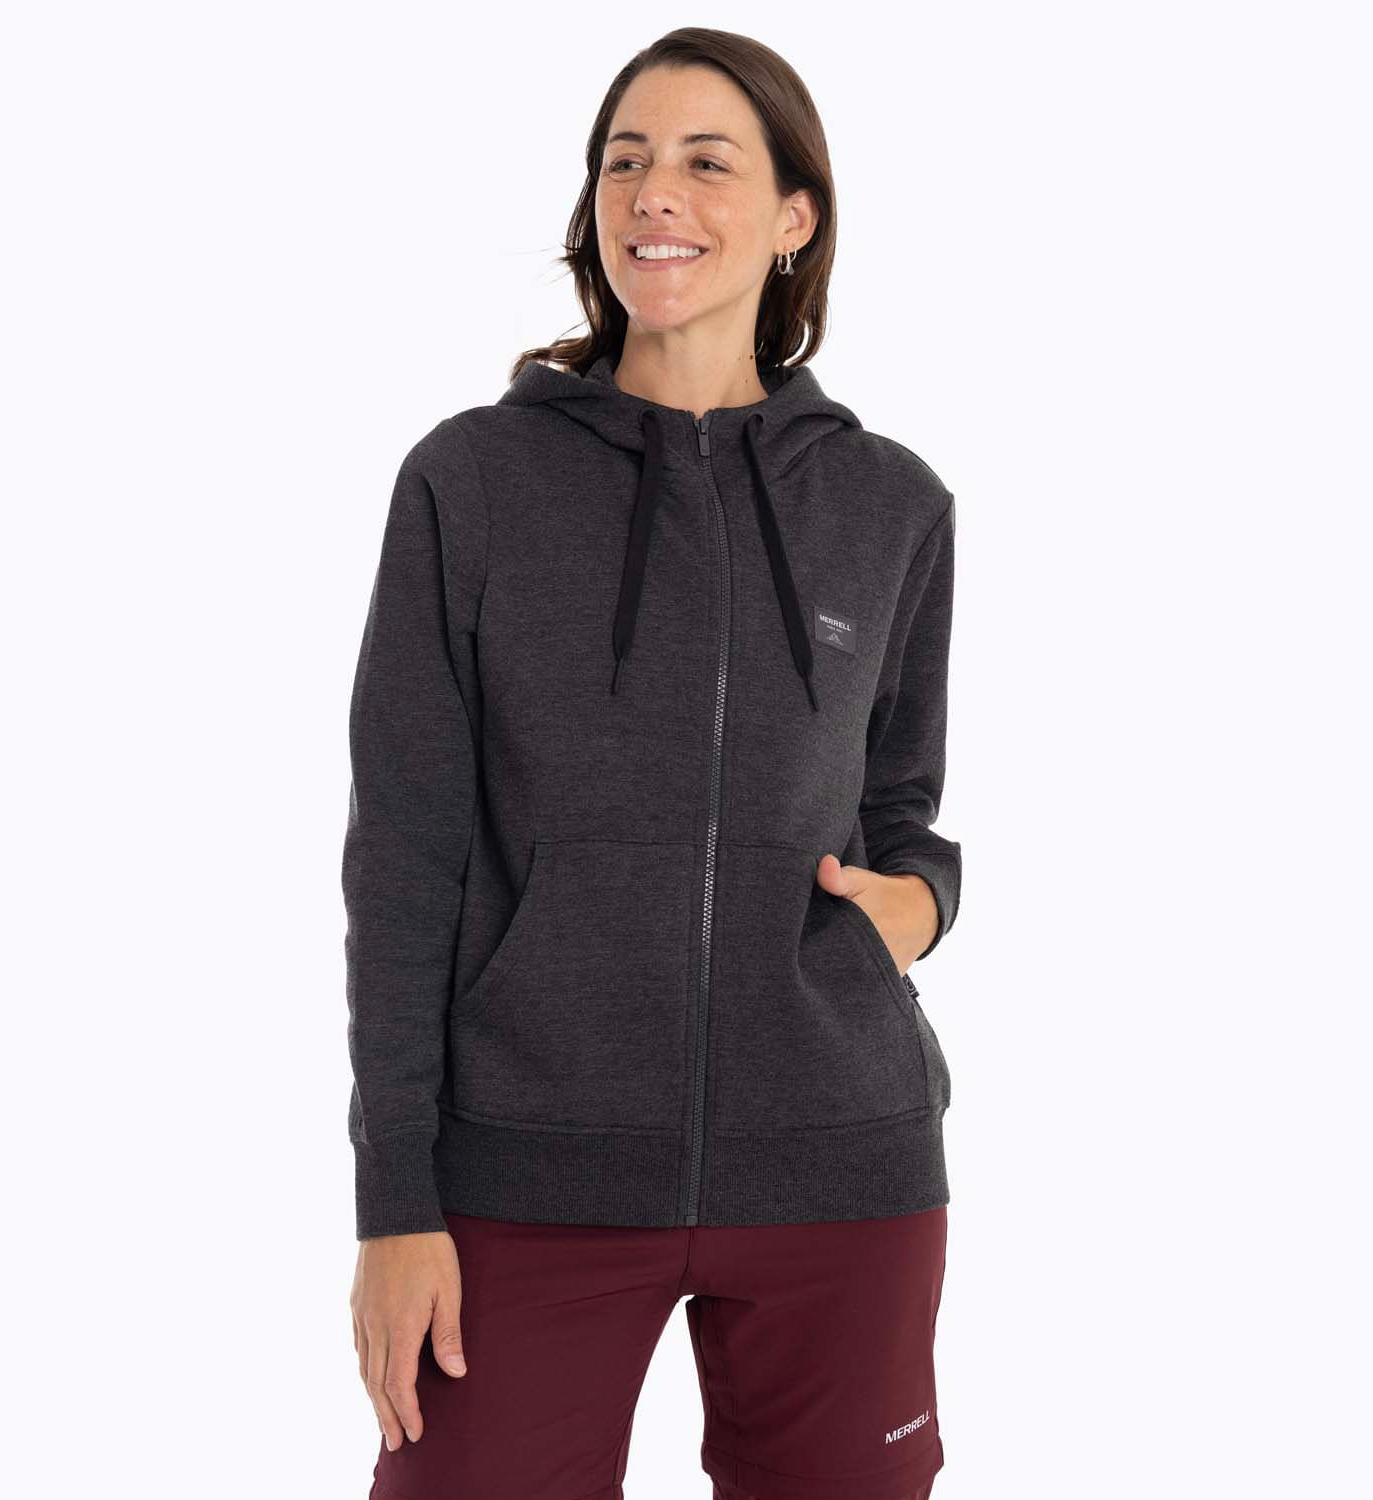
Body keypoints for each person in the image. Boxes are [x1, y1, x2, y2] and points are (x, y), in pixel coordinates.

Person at [343, 28, 962, 1500]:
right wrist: (395, 1201)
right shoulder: (471, 483)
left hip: (840, 1162)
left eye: (704, 161)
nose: (653, 195)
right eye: (624, 162)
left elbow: (903, 803)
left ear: (794, 217)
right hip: (526, 1167)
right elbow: (406, 857)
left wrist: (924, 902)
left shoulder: (890, 503)